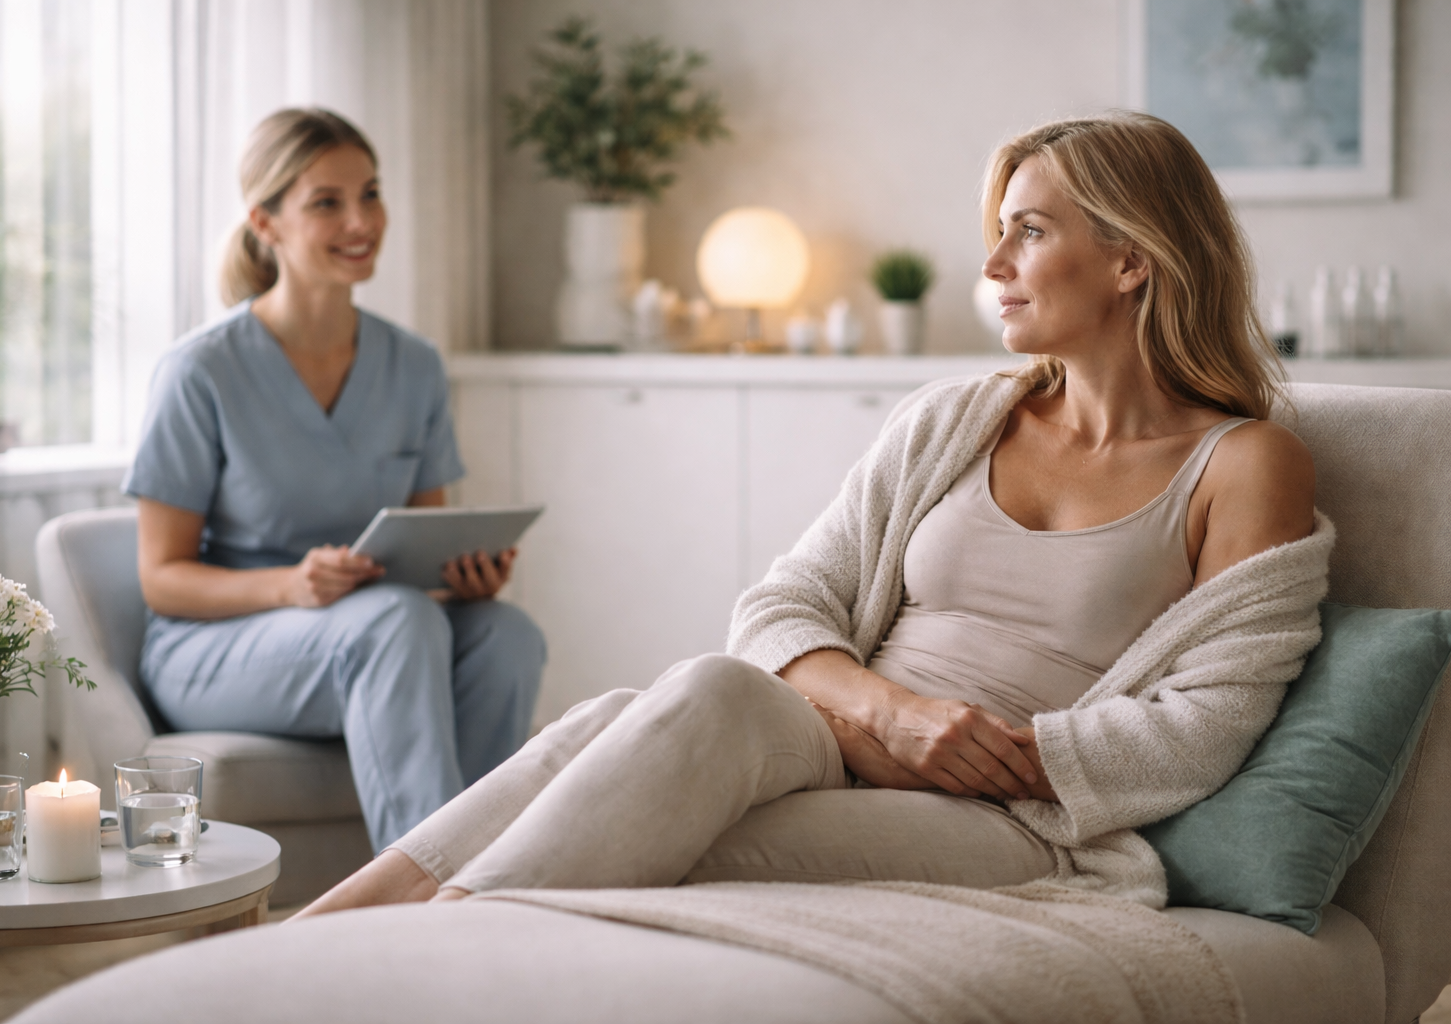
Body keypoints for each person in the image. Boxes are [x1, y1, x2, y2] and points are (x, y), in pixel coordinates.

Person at [295, 111, 1324, 918]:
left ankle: (418, 949)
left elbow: (1203, 727)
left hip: (1011, 813)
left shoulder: (1242, 464)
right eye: (1000, 231)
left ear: (1131, 259)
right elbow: (781, 607)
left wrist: (968, 754)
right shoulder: (956, 418)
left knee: (637, 799)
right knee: (675, 700)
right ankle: (316, 939)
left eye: (1031, 231)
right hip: (843, 739)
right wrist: (888, 717)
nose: (993, 264)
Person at [125, 108, 545, 853]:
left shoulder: (413, 365)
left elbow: (424, 552)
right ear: (266, 223)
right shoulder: (200, 371)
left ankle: (489, 868)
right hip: (217, 647)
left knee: (506, 637)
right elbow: (163, 580)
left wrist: (463, 579)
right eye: (328, 201)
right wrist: (292, 585)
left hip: (376, 626)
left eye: (371, 193)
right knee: (396, 623)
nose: (362, 221)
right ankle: (425, 886)